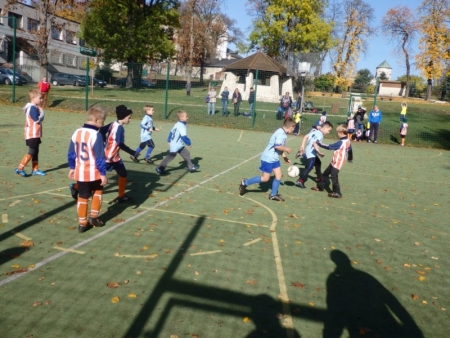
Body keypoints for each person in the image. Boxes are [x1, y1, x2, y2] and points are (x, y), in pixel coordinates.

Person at [68, 107, 108, 233]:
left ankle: (82, 223)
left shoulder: (77, 132)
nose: (102, 124)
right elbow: (100, 157)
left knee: (83, 196)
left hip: (80, 171)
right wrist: (103, 173)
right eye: (102, 121)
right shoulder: (97, 135)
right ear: (96, 120)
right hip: (94, 172)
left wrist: (72, 167)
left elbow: (71, 153)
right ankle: (94, 218)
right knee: (97, 191)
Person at [239, 118, 295, 202]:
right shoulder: (280, 133)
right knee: (265, 179)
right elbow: (277, 146)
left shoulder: (282, 133)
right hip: (268, 158)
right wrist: (287, 149)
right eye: (294, 128)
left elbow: (279, 148)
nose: (294, 130)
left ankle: (273, 195)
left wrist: (284, 157)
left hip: (274, 158)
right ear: (291, 127)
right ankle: (245, 182)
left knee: (279, 176)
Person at [102, 105, 135, 203]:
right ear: (123, 117)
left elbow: (101, 131)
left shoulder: (113, 124)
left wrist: (105, 140)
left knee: (123, 174)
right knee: (95, 177)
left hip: (115, 158)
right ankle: (76, 187)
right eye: (129, 117)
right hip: (108, 157)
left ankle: (121, 196)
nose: (130, 119)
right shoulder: (119, 128)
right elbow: (120, 143)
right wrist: (132, 152)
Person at [314, 124, 353, 198]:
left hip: (338, 162)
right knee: (325, 174)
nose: (337, 134)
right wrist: (350, 158)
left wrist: (319, 143)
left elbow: (329, 147)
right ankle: (320, 187)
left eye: (338, 133)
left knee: (334, 176)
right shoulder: (347, 140)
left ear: (341, 133)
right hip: (334, 161)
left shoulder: (341, 142)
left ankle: (337, 192)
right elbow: (350, 149)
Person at [155, 110, 199, 175]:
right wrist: (188, 143)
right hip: (176, 145)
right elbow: (183, 136)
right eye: (186, 116)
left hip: (179, 144)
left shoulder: (177, 124)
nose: (187, 118)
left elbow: (171, 132)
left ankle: (191, 167)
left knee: (186, 153)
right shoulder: (181, 126)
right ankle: (160, 168)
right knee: (170, 156)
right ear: (181, 118)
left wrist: (169, 139)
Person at [15, 89, 46, 177]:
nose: (41, 100)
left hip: (35, 133)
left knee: (36, 151)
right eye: (40, 98)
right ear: (33, 98)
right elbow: (37, 119)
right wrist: (42, 112)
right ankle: (20, 168)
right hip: (32, 134)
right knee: (32, 151)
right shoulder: (32, 108)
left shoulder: (34, 107)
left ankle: (35, 169)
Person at [295, 121, 333, 189]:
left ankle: (319, 178)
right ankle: (300, 181)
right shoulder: (320, 135)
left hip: (309, 151)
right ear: (324, 128)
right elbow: (315, 144)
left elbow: (305, 136)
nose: (328, 132)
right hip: (311, 153)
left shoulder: (316, 131)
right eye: (328, 130)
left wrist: (302, 146)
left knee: (318, 163)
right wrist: (319, 152)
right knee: (309, 167)